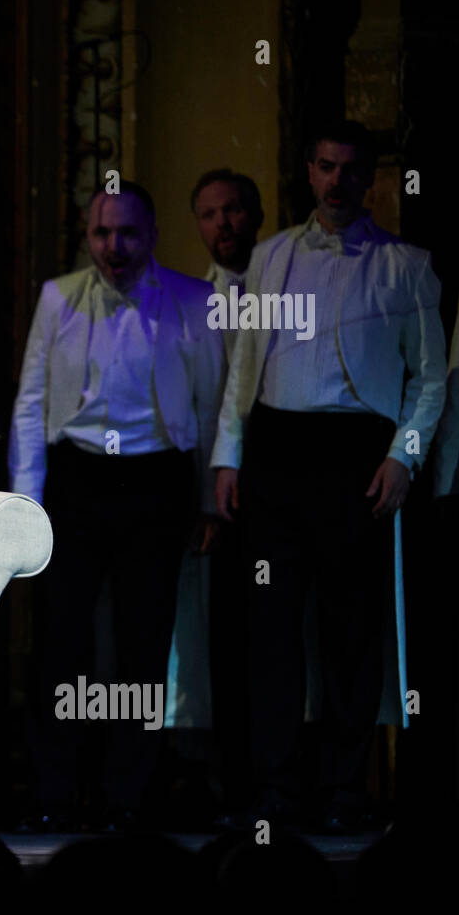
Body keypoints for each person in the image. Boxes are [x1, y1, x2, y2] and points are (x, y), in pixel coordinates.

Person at [211, 120, 447, 831]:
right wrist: (229, 455)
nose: (337, 180)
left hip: (357, 453)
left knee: (351, 630)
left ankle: (346, 791)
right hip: (278, 450)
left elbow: (430, 380)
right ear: (307, 172)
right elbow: (244, 369)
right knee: (272, 631)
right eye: (324, 166)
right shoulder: (271, 256)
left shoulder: (407, 265)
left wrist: (403, 457)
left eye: (350, 169)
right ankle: (275, 789)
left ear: (369, 177)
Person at [8, 180, 224, 829]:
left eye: (127, 232)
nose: (114, 245)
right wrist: (26, 502)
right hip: (75, 483)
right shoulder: (58, 298)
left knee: (143, 644)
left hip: (157, 483)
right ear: (87, 236)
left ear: (152, 235)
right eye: (102, 233)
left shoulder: (195, 300)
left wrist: (212, 496)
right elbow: (29, 402)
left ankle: (128, 794)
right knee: (61, 642)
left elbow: (213, 404)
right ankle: (54, 792)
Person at [189, 168, 264, 820]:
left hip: (281, 480)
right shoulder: (192, 301)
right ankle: (220, 782)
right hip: (214, 492)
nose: (224, 225)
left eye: (235, 211)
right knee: (219, 638)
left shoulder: (285, 288)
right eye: (210, 214)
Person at [191, 169, 264, 361]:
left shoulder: (289, 287)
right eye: (209, 215)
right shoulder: (192, 308)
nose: (222, 223)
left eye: (231, 209)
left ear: (257, 216)